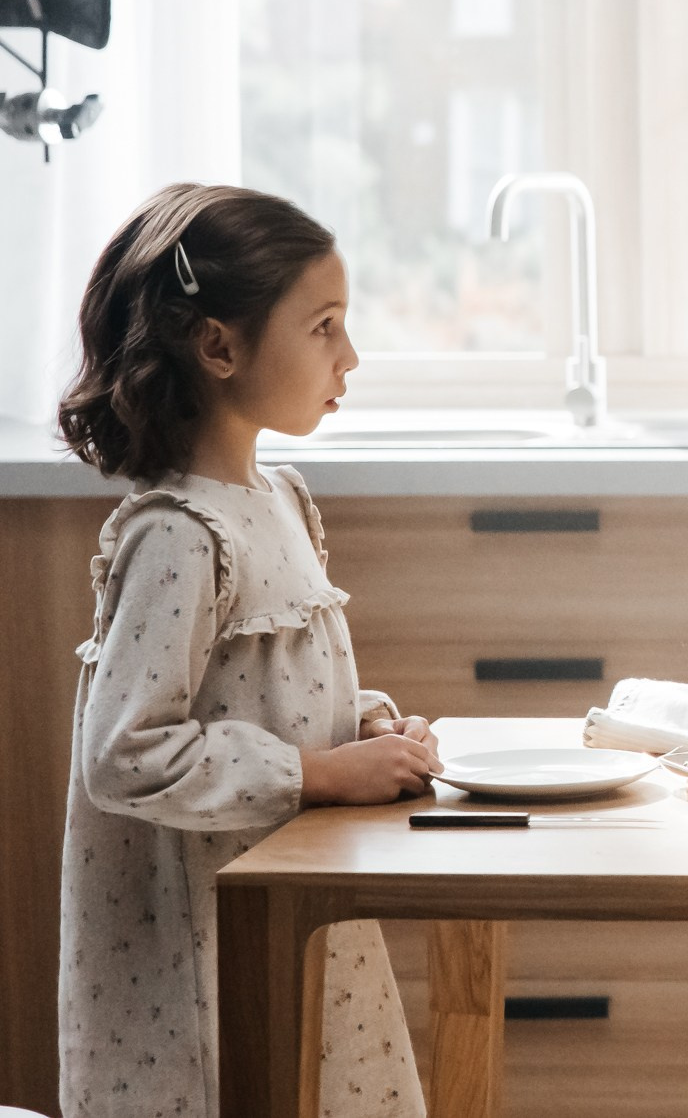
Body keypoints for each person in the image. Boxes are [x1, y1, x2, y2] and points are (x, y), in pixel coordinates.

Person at [54, 183, 441, 1117]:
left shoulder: (280, 499)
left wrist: (366, 729)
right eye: (324, 326)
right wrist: (320, 772)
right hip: (202, 945)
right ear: (219, 347)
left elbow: (264, 682)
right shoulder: (178, 534)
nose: (350, 355)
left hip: (290, 902)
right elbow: (126, 752)